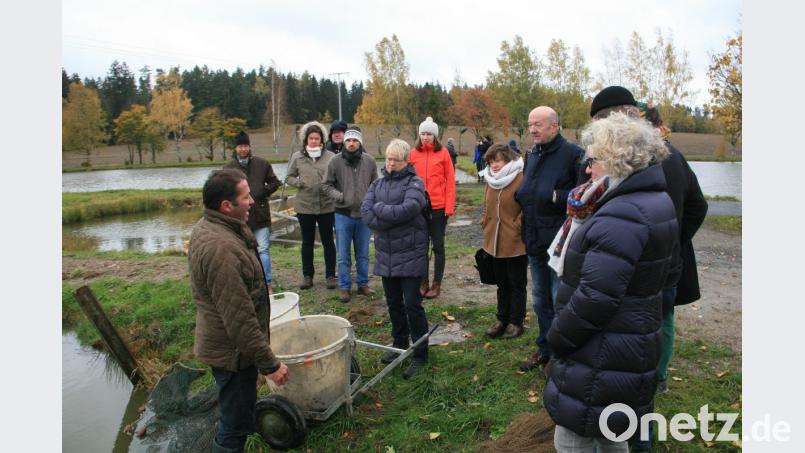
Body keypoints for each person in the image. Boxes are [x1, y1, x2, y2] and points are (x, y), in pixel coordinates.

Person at [542, 113, 678, 452]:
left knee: (572, 438)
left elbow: (594, 300)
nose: (588, 169)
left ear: (618, 160)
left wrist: (557, 338)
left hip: (602, 351)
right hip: (631, 343)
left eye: (595, 160)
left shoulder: (622, 215)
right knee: (612, 432)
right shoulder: (655, 201)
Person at [588, 86, 708, 394]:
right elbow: (697, 206)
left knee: (638, 324)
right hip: (664, 262)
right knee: (660, 321)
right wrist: (673, 240)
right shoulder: (673, 155)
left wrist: (670, 241)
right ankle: (658, 378)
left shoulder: (623, 157)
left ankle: (644, 382)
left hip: (631, 265)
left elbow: (696, 207)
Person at [188, 169, 289, 453]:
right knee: (233, 427)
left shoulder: (215, 226)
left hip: (231, 348)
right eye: (245, 197)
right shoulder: (221, 248)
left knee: (237, 417)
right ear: (226, 205)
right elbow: (240, 320)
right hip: (232, 354)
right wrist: (271, 365)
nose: (253, 202)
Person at [516, 107, 584, 372]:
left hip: (558, 243)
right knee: (540, 300)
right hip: (533, 239)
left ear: (555, 126)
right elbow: (530, 190)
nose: (533, 129)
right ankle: (544, 349)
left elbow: (582, 195)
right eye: (530, 124)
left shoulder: (573, 154)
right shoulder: (533, 154)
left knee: (559, 301)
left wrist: (555, 196)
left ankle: (562, 356)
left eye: (539, 125)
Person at [361, 139, 430, 379]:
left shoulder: (415, 183)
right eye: (388, 158)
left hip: (411, 252)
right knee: (393, 302)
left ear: (405, 161)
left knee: (412, 303)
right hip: (386, 254)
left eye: (395, 159)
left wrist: (381, 211)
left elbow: (408, 209)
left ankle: (421, 352)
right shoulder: (377, 184)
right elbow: (366, 212)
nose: (390, 163)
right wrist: (387, 216)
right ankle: (399, 343)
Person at [322, 126, 378, 302]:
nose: (351, 143)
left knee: (363, 253)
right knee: (343, 254)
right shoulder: (335, 161)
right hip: (342, 214)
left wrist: (370, 201)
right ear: (344, 142)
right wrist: (340, 196)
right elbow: (326, 185)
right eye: (348, 140)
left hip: (363, 216)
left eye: (355, 140)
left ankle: (363, 284)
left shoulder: (370, 161)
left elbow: (376, 184)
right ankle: (344, 287)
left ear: (360, 142)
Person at [479, 144, 527, 340]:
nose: (494, 165)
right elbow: (486, 204)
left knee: (516, 282)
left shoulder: (521, 177)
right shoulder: (490, 180)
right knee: (501, 282)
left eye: (497, 160)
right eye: (491, 162)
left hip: (515, 240)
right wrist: (484, 220)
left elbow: (527, 205)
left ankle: (516, 322)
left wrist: (518, 225)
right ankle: (502, 319)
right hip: (494, 240)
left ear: (508, 159)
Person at [224, 131, 281, 293]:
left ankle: (267, 283)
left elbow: (275, 182)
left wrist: (263, 192)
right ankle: (248, 283)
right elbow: (224, 189)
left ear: (249, 147)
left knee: (263, 249)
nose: (243, 149)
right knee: (243, 251)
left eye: (245, 146)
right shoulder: (228, 168)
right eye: (240, 146)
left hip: (260, 214)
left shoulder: (262, 164)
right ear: (236, 148)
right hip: (239, 217)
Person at [285, 121, 338, 290]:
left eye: (317, 138)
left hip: (327, 206)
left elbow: (337, 177)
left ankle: (330, 275)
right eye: (311, 138)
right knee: (307, 243)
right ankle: (307, 276)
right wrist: (300, 183)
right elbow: (289, 177)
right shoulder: (297, 157)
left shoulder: (330, 156)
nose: (314, 141)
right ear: (306, 140)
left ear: (322, 140)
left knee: (328, 241)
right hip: (305, 206)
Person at [409, 116, 456, 299]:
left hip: (438, 207)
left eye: (429, 134)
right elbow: (407, 180)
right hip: (418, 207)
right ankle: (423, 281)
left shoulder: (443, 153)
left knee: (438, 246)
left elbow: (450, 181)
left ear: (435, 136)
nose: (426, 137)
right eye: (423, 133)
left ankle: (436, 283)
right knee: (420, 246)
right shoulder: (413, 154)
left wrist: (449, 207)